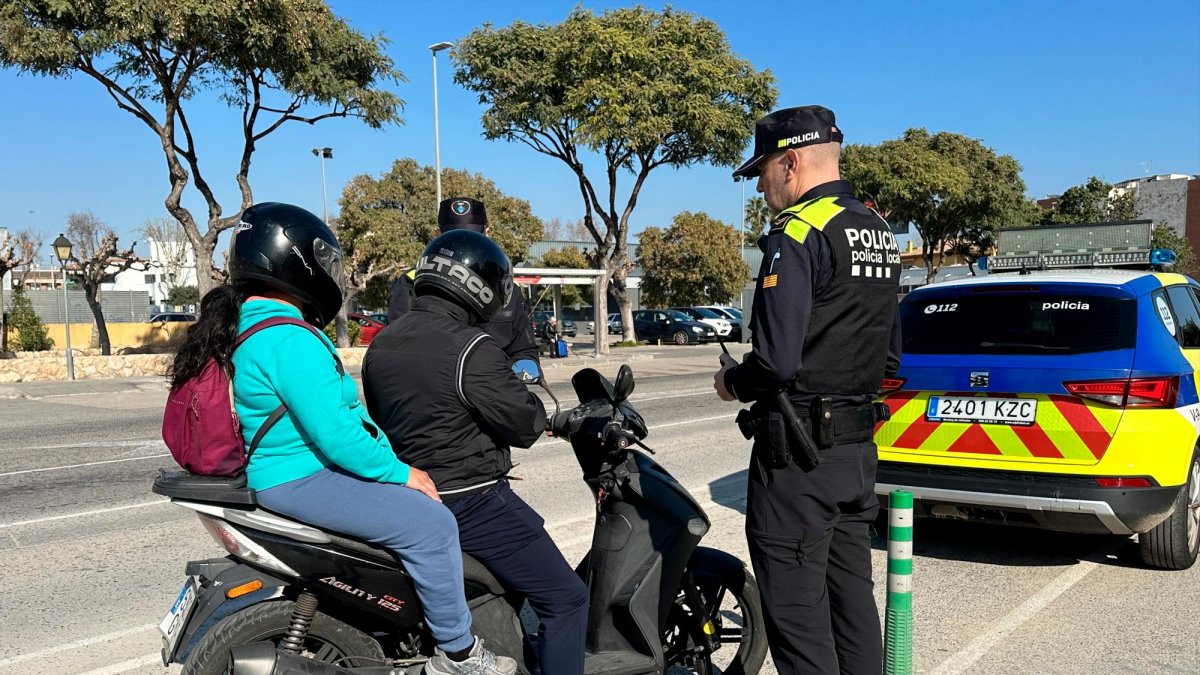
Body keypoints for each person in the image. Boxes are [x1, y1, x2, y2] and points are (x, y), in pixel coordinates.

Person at [167, 202, 516, 675]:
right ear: (300, 262)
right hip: (299, 477)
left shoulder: (249, 325)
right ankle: (458, 654)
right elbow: (338, 435)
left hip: (281, 474)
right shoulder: (289, 338)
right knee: (432, 525)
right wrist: (401, 473)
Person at [713, 106, 901, 675]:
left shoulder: (797, 232)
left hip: (798, 459)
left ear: (790, 163)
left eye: (763, 172)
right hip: (855, 456)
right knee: (852, 609)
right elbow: (892, 357)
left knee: (798, 621)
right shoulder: (878, 231)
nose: (760, 187)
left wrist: (732, 382)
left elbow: (774, 363)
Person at [363, 230, 590, 675]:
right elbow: (526, 425)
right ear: (480, 288)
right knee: (567, 598)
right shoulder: (472, 348)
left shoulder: (382, 344)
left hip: (410, 495)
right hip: (473, 501)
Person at [386, 197, 539, 363]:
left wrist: (501, 374)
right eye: (452, 235)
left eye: (473, 236)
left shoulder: (506, 288)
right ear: (436, 234)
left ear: (488, 234)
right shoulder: (411, 283)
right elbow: (399, 347)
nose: (462, 243)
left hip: (494, 377)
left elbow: (525, 352)